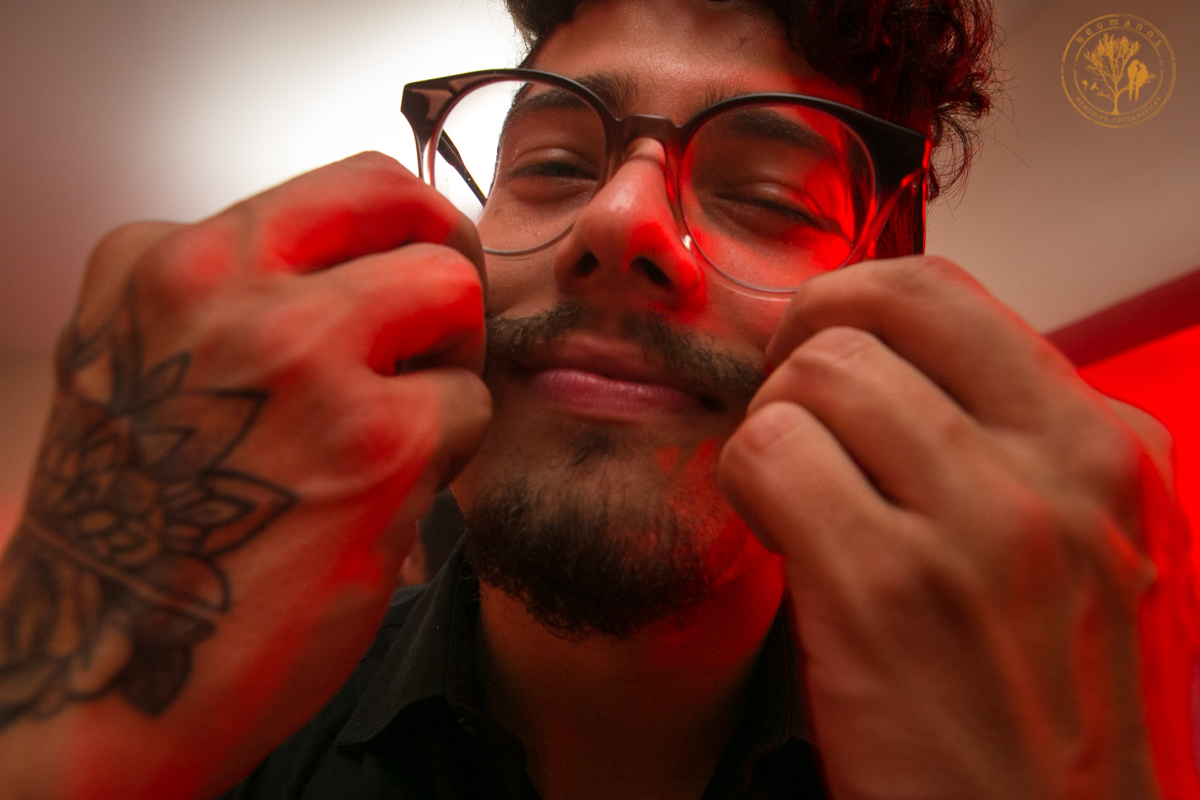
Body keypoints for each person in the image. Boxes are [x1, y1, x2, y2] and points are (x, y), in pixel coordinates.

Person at [0, 0, 1196, 797]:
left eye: (770, 195)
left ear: (888, 288)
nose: (618, 219)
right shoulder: (212, 750)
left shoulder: (1028, 748)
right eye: (554, 165)